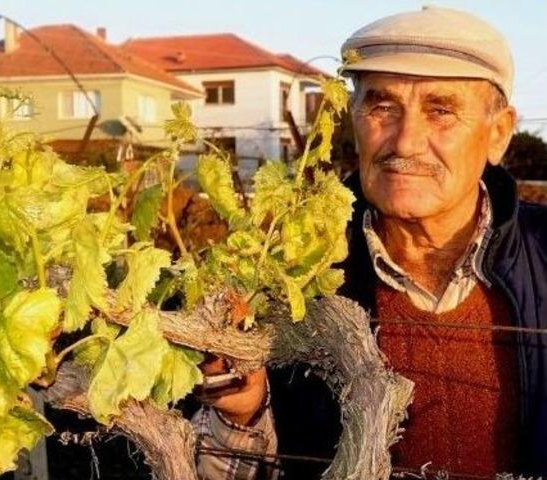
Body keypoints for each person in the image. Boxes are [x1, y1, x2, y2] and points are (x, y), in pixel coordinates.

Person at [195, 6, 547, 479]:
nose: (405, 142)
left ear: (498, 133)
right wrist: (242, 414)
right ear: (355, 121)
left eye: (440, 110)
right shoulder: (285, 276)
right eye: (382, 107)